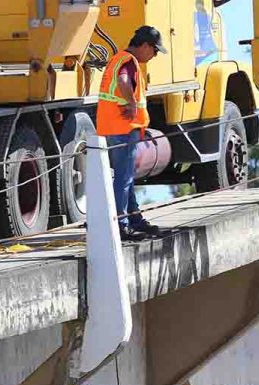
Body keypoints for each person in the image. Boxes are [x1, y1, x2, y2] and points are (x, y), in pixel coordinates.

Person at [96, 26, 166, 240]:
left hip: (114, 127)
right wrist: (132, 103)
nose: (154, 55)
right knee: (124, 179)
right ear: (144, 46)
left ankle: (134, 219)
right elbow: (123, 81)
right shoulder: (128, 61)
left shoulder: (119, 58)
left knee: (126, 177)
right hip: (123, 128)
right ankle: (121, 225)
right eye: (154, 50)